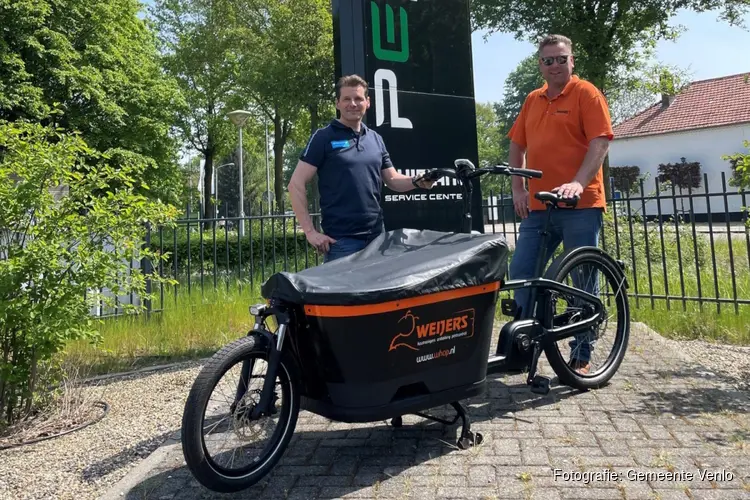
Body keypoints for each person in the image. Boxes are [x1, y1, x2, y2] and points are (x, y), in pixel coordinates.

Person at [506, 34, 613, 375]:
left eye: (561, 59)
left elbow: (600, 143)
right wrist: (518, 189)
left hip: (581, 204)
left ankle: (582, 350)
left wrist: (578, 182)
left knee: (582, 276)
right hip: (539, 206)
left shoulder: (586, 94)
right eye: (547, 60)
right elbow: (516, 146)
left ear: (572, 61)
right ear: (540, 64)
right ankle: (526, 341)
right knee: (522, 272)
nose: (554, 65)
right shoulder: (533, 99)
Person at [288, 74, 435, 262]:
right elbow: (296, 185)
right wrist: (310, 232)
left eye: (358, 99)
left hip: (378, 239)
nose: (353, 104)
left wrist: (417, 181)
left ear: (368, 102)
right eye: (347, 99)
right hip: (341, 243)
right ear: (337, 103)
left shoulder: (375, 139)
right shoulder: (323, 137)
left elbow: (392, 180)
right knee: (341, 293)